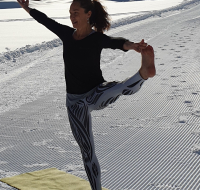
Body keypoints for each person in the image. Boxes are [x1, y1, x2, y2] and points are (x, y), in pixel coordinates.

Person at [17, 0, 156, 189]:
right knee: (87, 152)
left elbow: (114, 42)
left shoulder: (96, 38)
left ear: (88, 14)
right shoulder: (67, 34)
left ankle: (143, 73)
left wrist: (132, 46)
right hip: (75, 104)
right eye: (70, 13)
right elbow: (46, 21)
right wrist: (28, 9)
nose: (72, 17)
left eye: (76, 12)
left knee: (119, 87)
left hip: (96, 93)